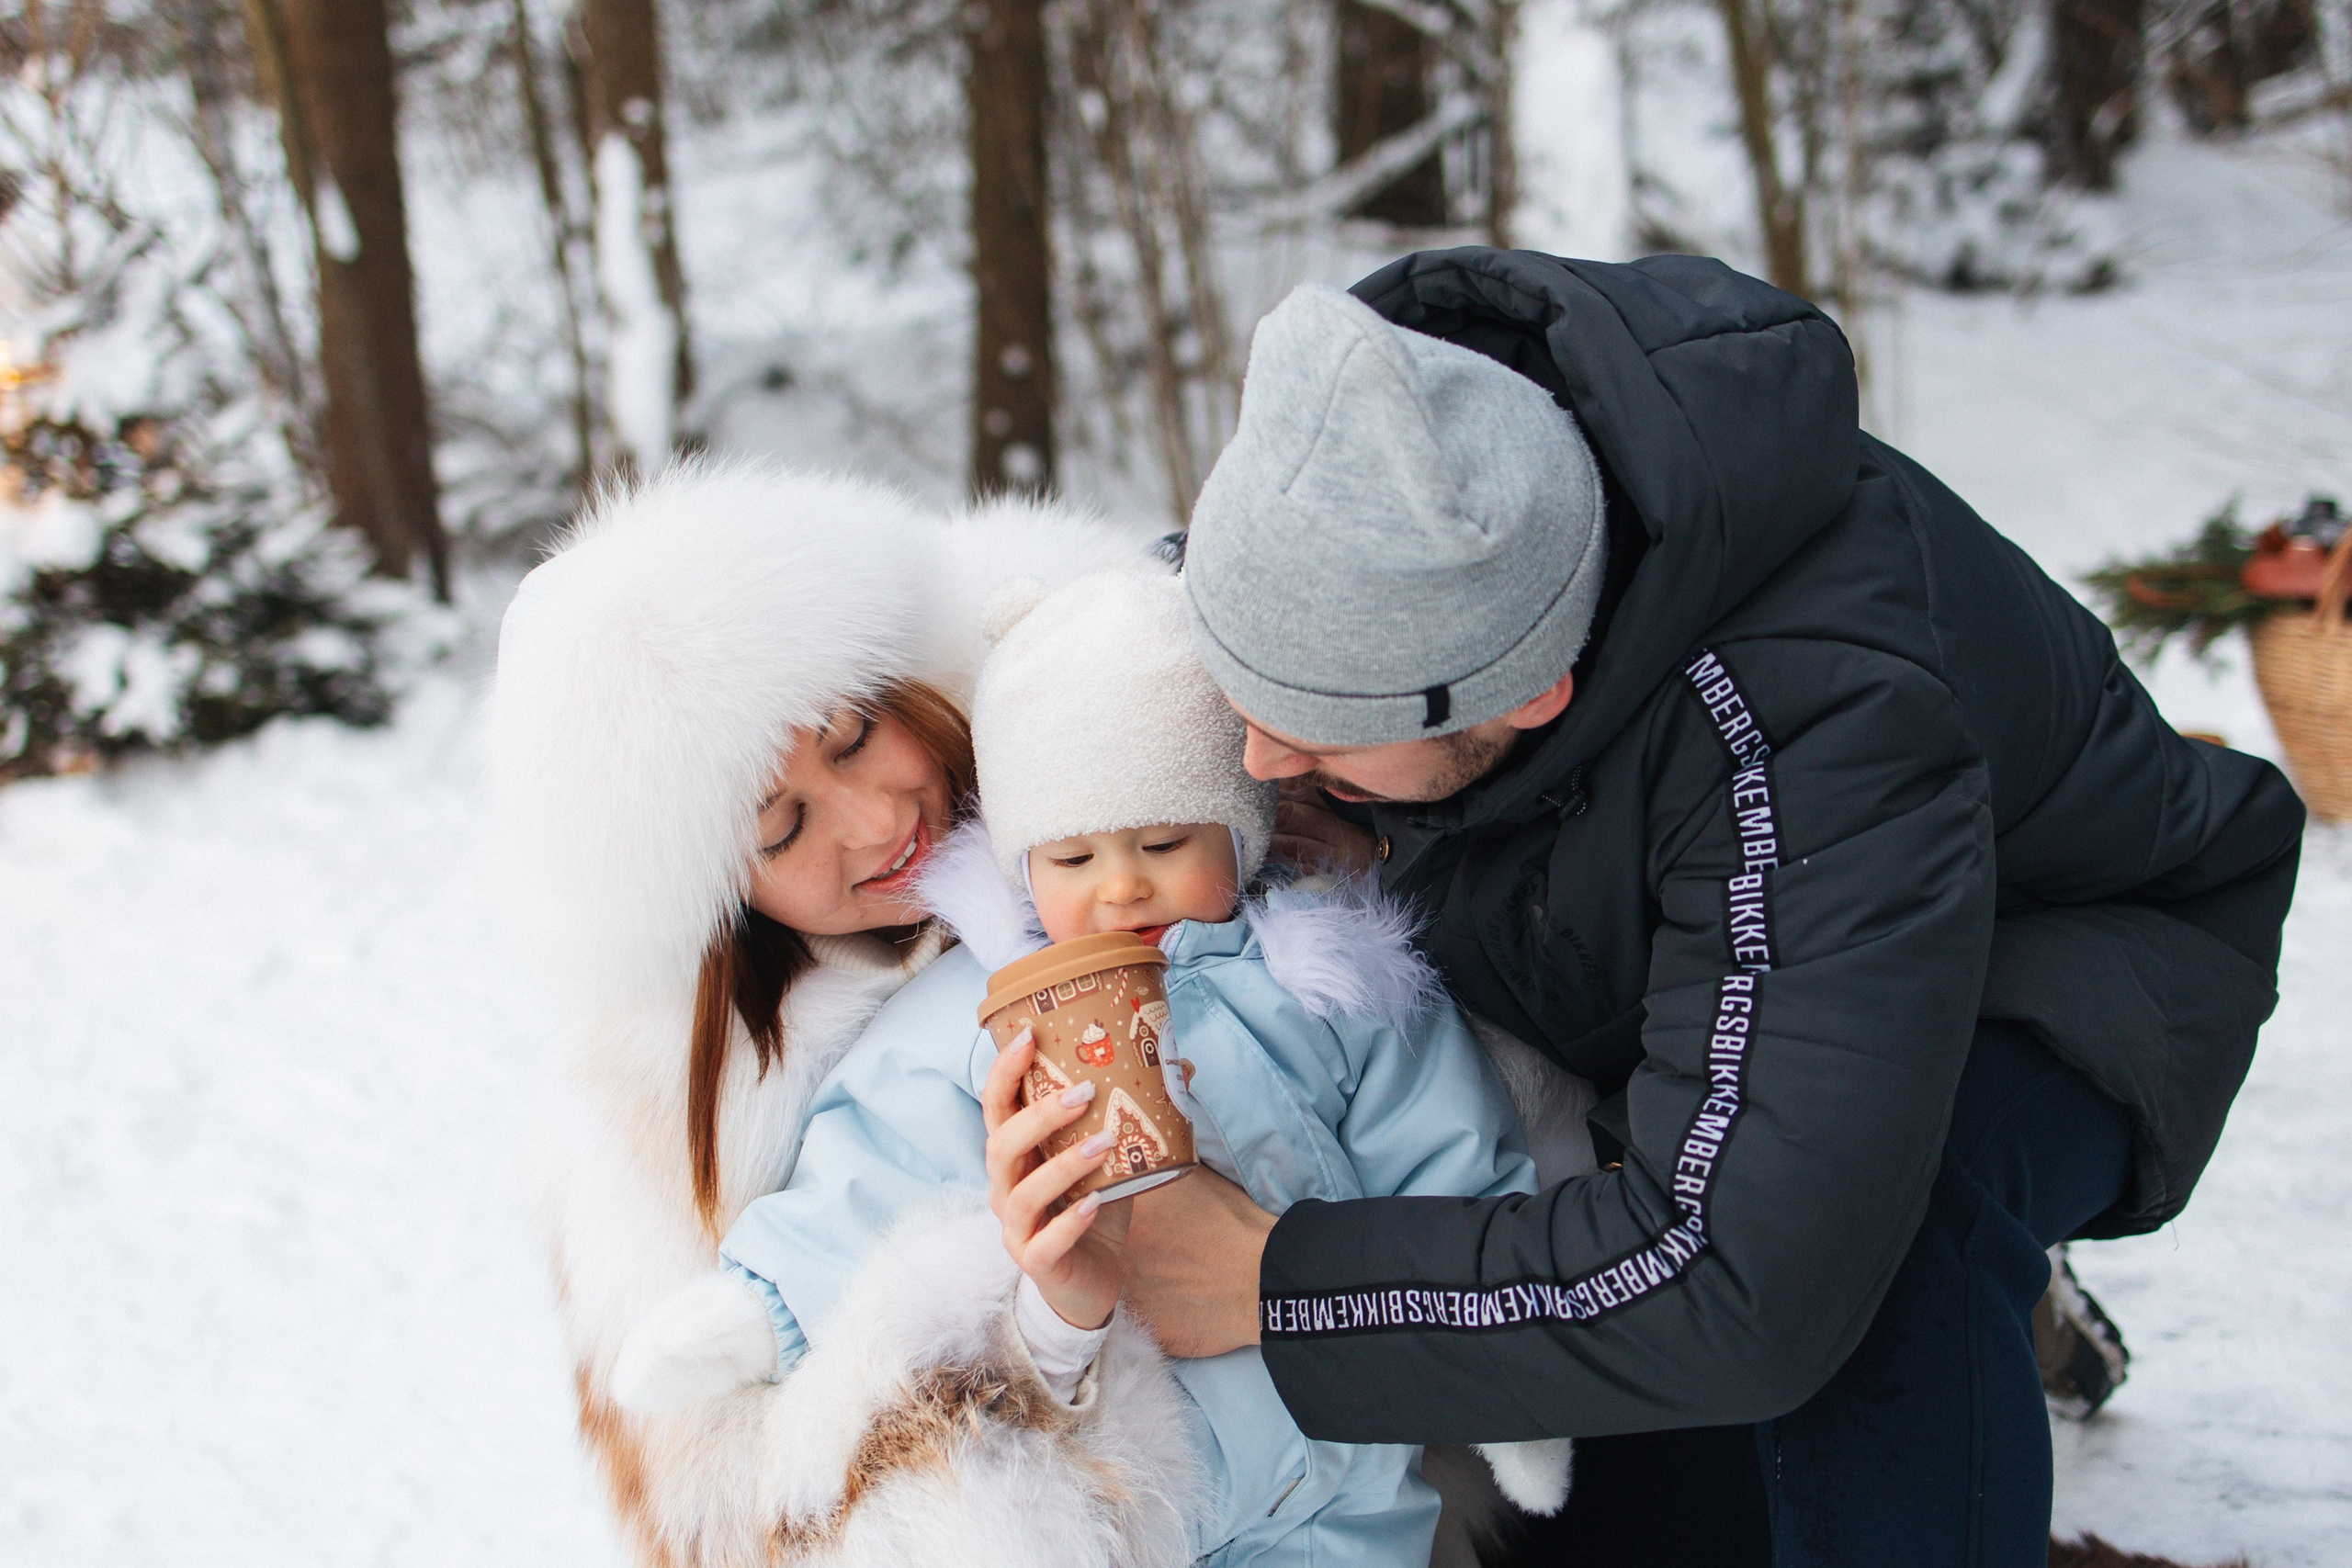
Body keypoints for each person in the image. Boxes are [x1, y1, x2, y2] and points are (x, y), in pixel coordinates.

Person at [1102, 257, 2305, 1567]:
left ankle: (1961, 1263)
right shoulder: (1382, 496)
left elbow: (1746, 1279)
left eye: (1322, 730)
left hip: (2063, 953)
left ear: (1527, 694)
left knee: (1879, 1263)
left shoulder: (1818, 718)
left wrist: (1280, 1286)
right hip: (1665, 961)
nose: (1262, 760)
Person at [638, 566, 1573, 1564]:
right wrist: (765, 1302)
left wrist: (1507, 1392)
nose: (1124, 887)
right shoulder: (978, 1007)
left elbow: (1447, 1153)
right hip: (1163, 1481)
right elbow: (875, 1161)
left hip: (1348, 1471)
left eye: (1166, 841)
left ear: (1240, 827)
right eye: (1074, 861)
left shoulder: (1324, 983)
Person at [485, 458, 1180, 1566]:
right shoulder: (672, 1152)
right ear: (714, 903)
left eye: (855, 733)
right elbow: (749, 1522)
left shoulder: (1127, 757)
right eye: (778, 827)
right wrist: (1041, 1340)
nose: (873, 820)